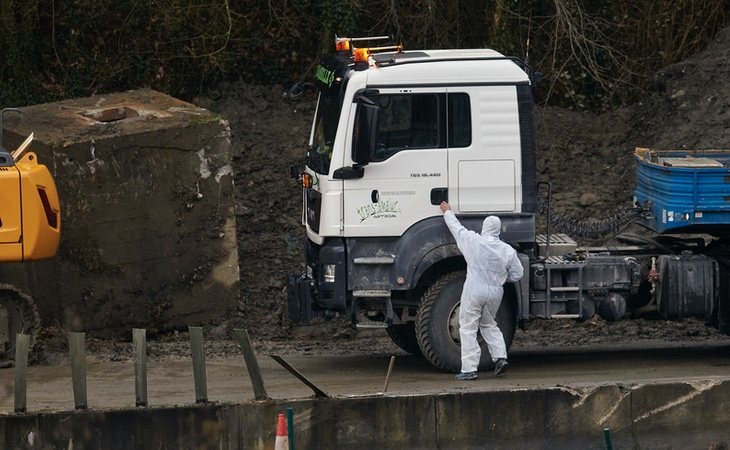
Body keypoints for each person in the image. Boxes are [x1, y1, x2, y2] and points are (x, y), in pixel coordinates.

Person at [440, 201, 524, 381]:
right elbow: (517, 274)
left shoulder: (474, 241)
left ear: (484, 227)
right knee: (488, 324)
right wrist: (500, 278)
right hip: (495, 292)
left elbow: (457, 228)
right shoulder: (507, 250)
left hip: (475, 290)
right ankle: (500, 357)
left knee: (468, 327)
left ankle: (469, 369)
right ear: (499, 229)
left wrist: (447, 212)